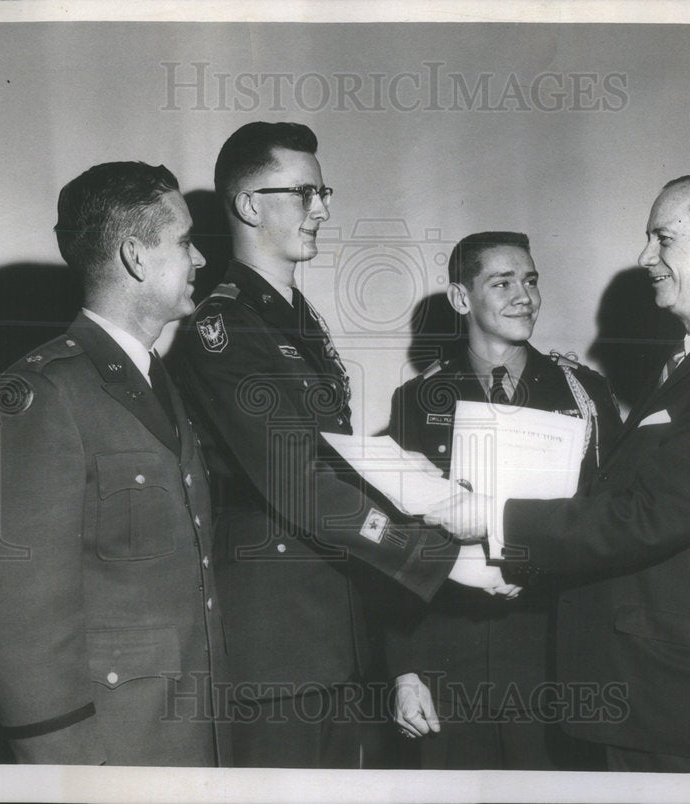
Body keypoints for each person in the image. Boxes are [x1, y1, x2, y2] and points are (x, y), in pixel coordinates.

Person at [427, 175, 690, 773]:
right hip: (657, 689)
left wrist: (497, 517)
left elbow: (650, 517)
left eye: (663, 239)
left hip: (686, 699)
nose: (645, 258)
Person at [172, 122, 508, 768]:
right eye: (305, 193)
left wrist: (439, 506)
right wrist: (444, 562)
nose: (323, 209)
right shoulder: (224, 328)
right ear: (248, 205)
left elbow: (342, 464)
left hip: (331, 634)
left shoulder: (292, 318)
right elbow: (299, 480)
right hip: (276, 649)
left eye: (323, 192)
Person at [0, 162, 231, 766]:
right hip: (113, 752)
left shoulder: (156, 381)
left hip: (188, 736)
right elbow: (19, 620)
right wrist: (68, 774)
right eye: (186, 242)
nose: (201, 260)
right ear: (136, 257)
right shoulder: (43, 396)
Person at [385, 231, 622, 769]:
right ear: (461, 298)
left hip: (554, 651)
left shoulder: (584, 393)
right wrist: (403, 668)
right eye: (503, 282)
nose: (525, 296)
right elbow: (396, 540)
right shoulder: (419, 400)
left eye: (532, 281)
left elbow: (614, 520)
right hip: (449, 651)